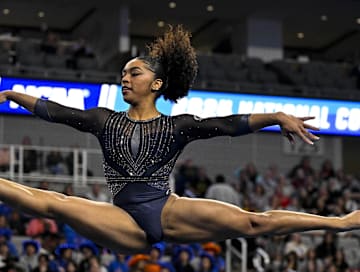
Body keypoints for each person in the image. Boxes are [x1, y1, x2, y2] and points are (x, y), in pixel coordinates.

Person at [0, 25, 359, 257]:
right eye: (123, 73)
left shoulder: (178, 126)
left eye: (134, 73)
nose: (125, 78)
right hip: (123, 218)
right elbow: (56, 111)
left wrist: (276, 116)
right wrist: (14, 94)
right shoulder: (102, 120)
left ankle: (341, 222)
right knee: (55, 203)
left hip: (168, 210)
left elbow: (229, 124)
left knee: (254, 223)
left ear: (156, 84)